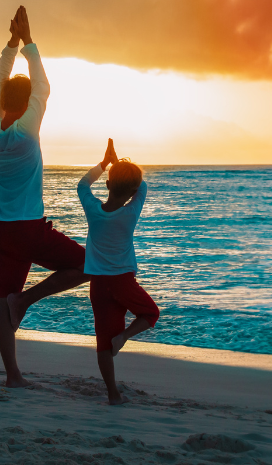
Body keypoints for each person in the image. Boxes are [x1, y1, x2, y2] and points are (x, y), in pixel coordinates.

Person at [0, 5, 89, 388]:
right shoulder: (26, 132)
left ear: (4, 101)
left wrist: (12, 44)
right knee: (87, 264)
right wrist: (28, 43)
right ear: (27, 106)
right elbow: (42, 87)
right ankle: (26, 301)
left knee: (1, 303)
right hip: (26, 230)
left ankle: (13, 376)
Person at [78, 138, 158, 405]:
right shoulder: (131, 212)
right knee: (150, 313)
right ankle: (123, 337)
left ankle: (113, 394)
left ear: (108, 185)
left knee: (103, 342)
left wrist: (105, 163)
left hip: (99, 286)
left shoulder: (93, 210)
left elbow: (82, 185)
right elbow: (142, 187)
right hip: (123, 282)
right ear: (132, 191)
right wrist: (120, 165)